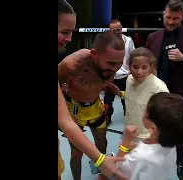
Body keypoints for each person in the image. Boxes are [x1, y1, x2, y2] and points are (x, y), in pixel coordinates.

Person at [57, 1, 126, 180]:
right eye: (65, 32)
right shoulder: (73, 64)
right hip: (75, 110)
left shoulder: (112, 65)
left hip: (95, 106)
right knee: (76, 153)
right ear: (95, 55)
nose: (115, 68)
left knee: (102, 143)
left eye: (119, 63)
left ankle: (103, 175)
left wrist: (115, 91)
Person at [145, 0, 183, 179]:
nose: (170, 22)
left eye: (175, 19)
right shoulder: (153, 37)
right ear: (164, 14)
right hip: (156, 91)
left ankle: (179, 160)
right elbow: (145, 60)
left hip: (180, 92)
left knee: (180, 127)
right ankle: (158, 157)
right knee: (156, 124)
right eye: (168, 17)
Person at [99, 92, 183, 180]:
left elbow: (117, 170)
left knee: (102, 176)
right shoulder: (172, 143)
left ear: (152, 129)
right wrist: (137, 146)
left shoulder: (140, 157)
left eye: (145, 111)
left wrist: (125, 142)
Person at [108, 47, 169, 142]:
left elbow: (166, 116)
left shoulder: (159, 87)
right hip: (129, 131)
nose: (139, 72)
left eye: (144, 67)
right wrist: (121, 94)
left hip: (146, 136)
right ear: (129, 66)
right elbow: (135, 99)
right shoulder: (129, 79)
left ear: (151, 67)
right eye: (135, 67)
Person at [104, 19, 135, 125]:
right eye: (114, 30)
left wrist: (133, 74)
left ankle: (129, 120)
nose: (117, 32)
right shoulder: (105, 42)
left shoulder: (128, 40)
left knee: (126, 100)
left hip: (125, 76)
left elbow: (133, 58)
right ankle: (106, 118)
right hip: (110, 76)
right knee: (108, 100)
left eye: (119, 29)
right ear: (110, 31)